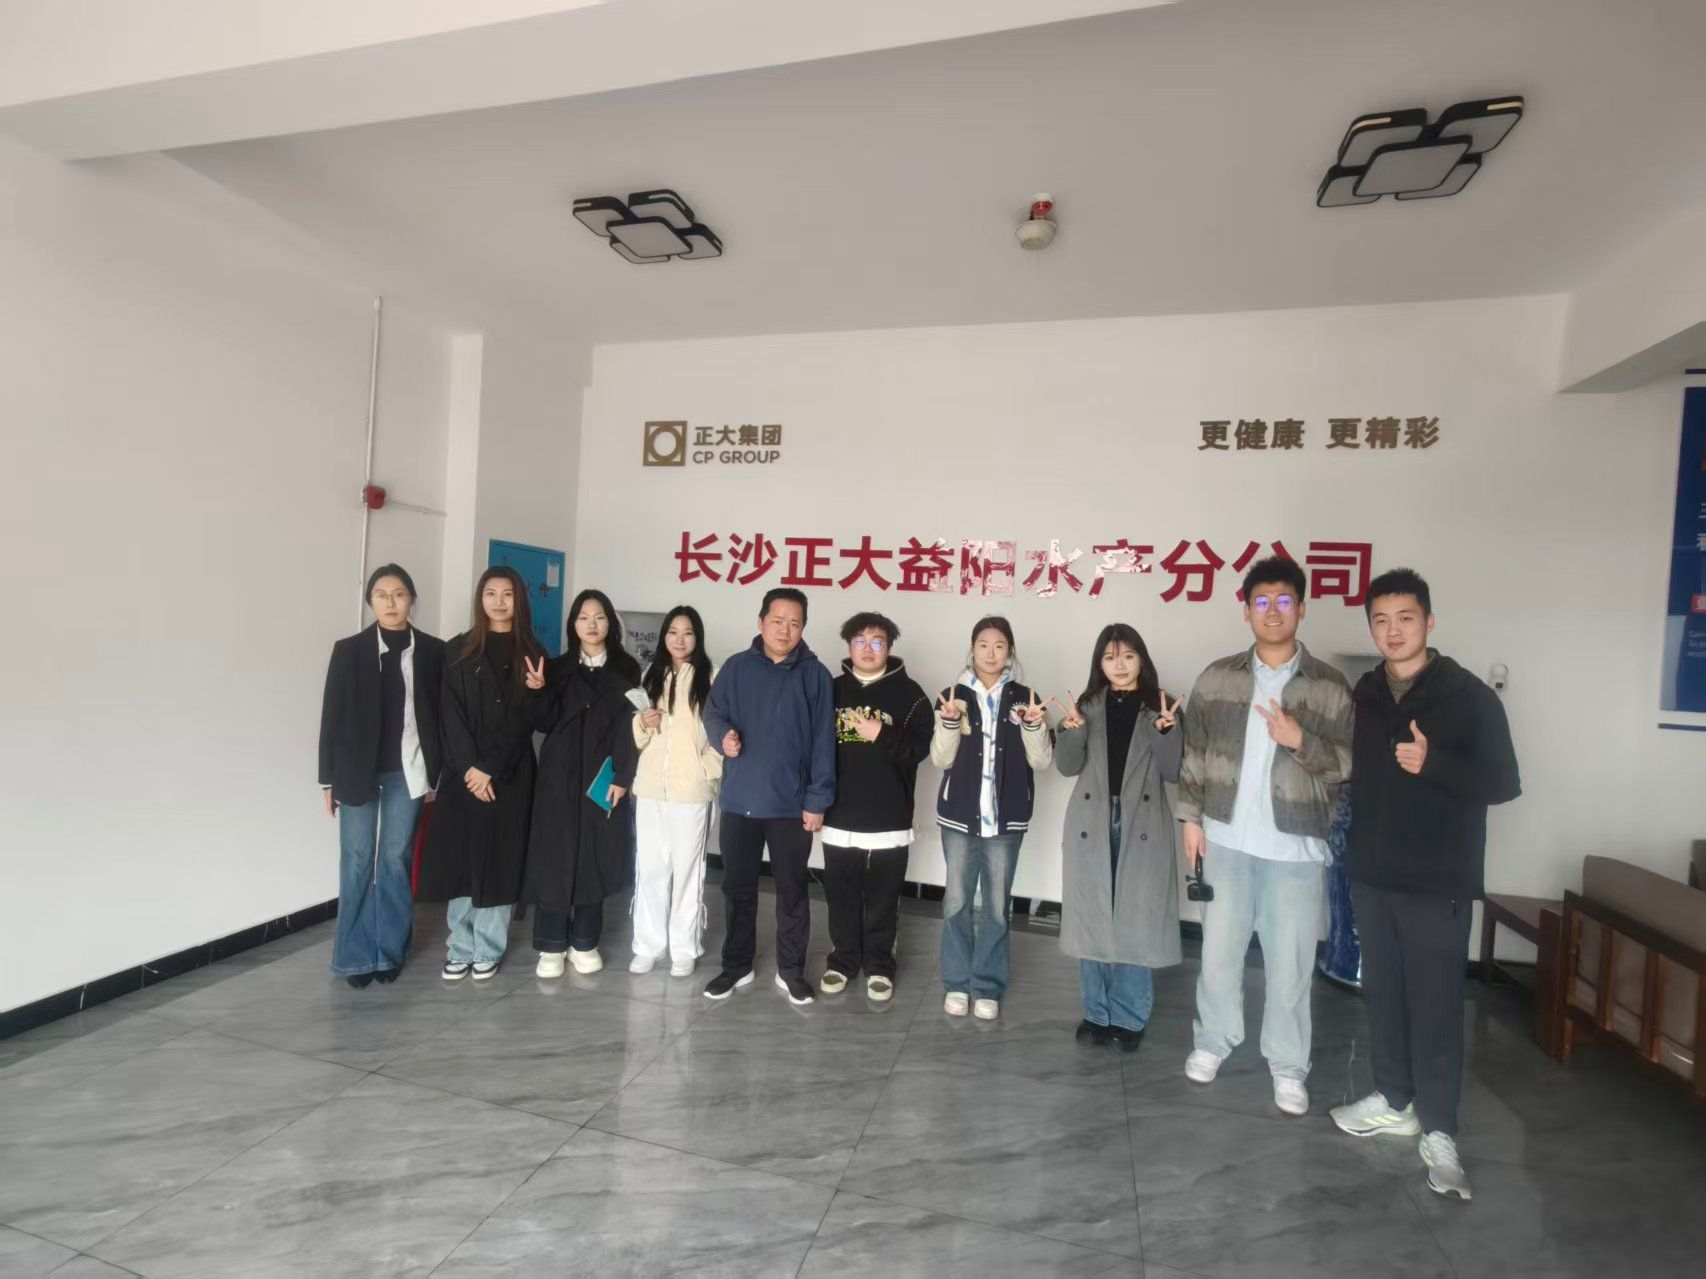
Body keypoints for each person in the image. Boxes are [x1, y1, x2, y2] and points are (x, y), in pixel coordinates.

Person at [1330, 568, 1520, 1201]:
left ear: (1429, 622)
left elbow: (1504, 782)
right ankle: (1394, 1099)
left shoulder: (1469, 698)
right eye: (1381, 620)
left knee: (1436, 1007)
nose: (1393, 631)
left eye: (1405, 618)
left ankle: (1439, 1129)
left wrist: (1432, 762)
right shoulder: (1366, 694)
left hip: (1439, 881)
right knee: (1383, 995)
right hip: (1374, 875)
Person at [1176, 555, 1353, 1116]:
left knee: (1290, 965)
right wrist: (1190, 818)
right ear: (1246, 610)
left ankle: (1288, 1066)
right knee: (1218, 955)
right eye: (1261, 601)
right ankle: (1213, 1041)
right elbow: (1194, 754)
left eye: (1283, 601)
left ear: (1301, 608)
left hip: (1296, 848)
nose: (1272, 611)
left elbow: (1349, 767)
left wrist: (1301, 740)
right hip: (1226, 838)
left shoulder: (1330, 687)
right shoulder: (1217, 678)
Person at [701, 587, 836, 1005]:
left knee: (792, 892)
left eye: (794, 623)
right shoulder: (736, 668)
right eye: (777, 621)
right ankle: (736, 965)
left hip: (790, 806)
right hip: (739, 799)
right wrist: (722, 737)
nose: (784, 630)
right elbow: (713, 712)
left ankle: (791, 970)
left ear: (804, 629)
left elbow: (823, 742)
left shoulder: (816, 675)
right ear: (760, 622)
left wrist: (817, 800)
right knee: (737, 888)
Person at [1055, 623, 1184, 1051]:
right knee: (1091, 914)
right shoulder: (1087, 706)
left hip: (1142, 822)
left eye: (1128, 656)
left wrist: (1167, 732)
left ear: (1141, 660)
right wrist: (1071, 732)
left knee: (1136, 919)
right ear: (1100, 664)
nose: (1120, 665)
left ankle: (1129, 1017)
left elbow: (1172, 771)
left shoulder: (1160, 708)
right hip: (1091, 821)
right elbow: (1067, 767)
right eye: (1110, 657)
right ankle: (1096, 1013)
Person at [318, 564, 444, 988]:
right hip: (356, 772)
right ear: (370, 601)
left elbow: (440, 715)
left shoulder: (433, 651)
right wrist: (327, 780)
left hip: (407, 772)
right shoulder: (349, 650)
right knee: (356, 860)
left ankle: (389, 951)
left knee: (395, 859)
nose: (391, 603)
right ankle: (354, 957)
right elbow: (331, 716)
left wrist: (437, 774)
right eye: (381, 595)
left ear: (412, 599)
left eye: (399, 594)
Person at [417, 567, 543, 981]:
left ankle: (488, 947)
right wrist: (470, 768)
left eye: (508, 594)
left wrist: (489, 768)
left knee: (499, 861)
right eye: (491, 593)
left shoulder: (532, 651)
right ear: (480, 598)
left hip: (509, 775)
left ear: (518, 600)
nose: (499, 602)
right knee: (463, 862)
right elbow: (448, 714)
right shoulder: (457, 649)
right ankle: (460, 946)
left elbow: (525, 719)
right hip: (463, 775)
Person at [931, 616, 1052, 1021]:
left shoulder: (1026, 699)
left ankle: (986, 985)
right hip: (959, 818)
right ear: (972, 649)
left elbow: (1042, 761)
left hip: (1006, 819)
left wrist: (1033, 727)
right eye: (983, 644)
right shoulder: (952, 696)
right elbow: (940, 758)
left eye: (999, 645)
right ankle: (956, 983)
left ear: (1010, 652)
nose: (990, 652)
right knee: (956, 902)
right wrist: (950, 721)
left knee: (997, 907)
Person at [524, 588, 643, 977]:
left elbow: (631, 728)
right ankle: (551, 944)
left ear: (611, 623)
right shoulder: (555, 668)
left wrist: (623, 774)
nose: (592, 625)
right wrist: (537, 692)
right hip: (558, 775)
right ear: (572, 624)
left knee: (595, 853)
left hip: (602, 774)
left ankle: (585, 941)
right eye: (583, 617)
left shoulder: (627, 669)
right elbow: (543, 722)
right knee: (554, 855)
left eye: (599, 617)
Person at [819, 612, 933, 1001]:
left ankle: (880, 965)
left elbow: (919, 750)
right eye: (860, 641)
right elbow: (812, 749)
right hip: (839, 813)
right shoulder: (831, 690)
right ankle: (842, 961)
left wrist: (881, 732)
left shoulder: (911, 695)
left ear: (889, 647)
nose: (868, 649)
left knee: (884, 897)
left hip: (889, 815)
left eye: (877, 642)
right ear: (849, 646)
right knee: (840, 893)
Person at [629, 605, 723, 977]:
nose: (679, 640)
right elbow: (640, 738)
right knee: (650, 870)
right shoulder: (651, 675)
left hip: (692, 792)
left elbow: (726, 731)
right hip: (651, 789)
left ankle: (684, 948)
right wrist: (642, 723)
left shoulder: (712, 678)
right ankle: (648, 946)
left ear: (697, 637)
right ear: (664, 636)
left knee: (687, 873)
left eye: (687, 633)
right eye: (673, 632)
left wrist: (708, 768)